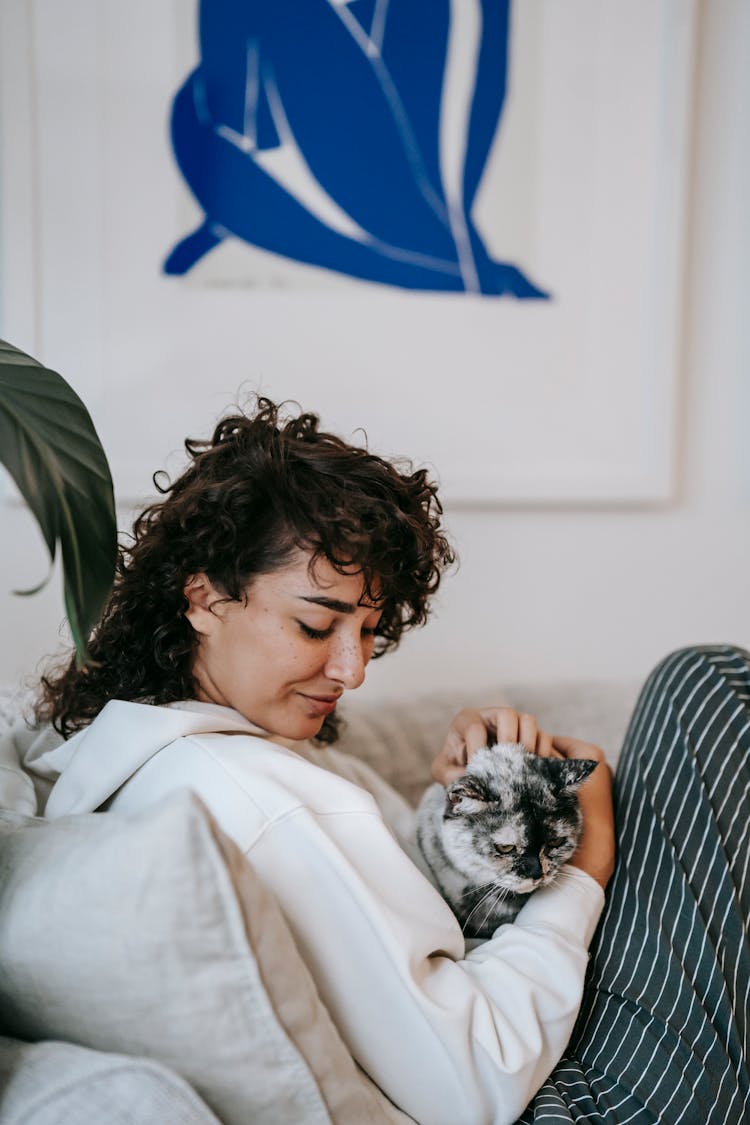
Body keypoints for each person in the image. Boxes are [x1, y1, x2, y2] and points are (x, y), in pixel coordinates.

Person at [0, 399, 745, 1124]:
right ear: (202, 595)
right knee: (705, 683)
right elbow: (473, 1084)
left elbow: (404, 916)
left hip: (534, 1015)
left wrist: (462, 797)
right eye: (316, 624)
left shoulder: (146, 749)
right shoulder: (257, 798)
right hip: (583, 1098)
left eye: (369, 629)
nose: (353, 670)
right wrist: (585, 872)